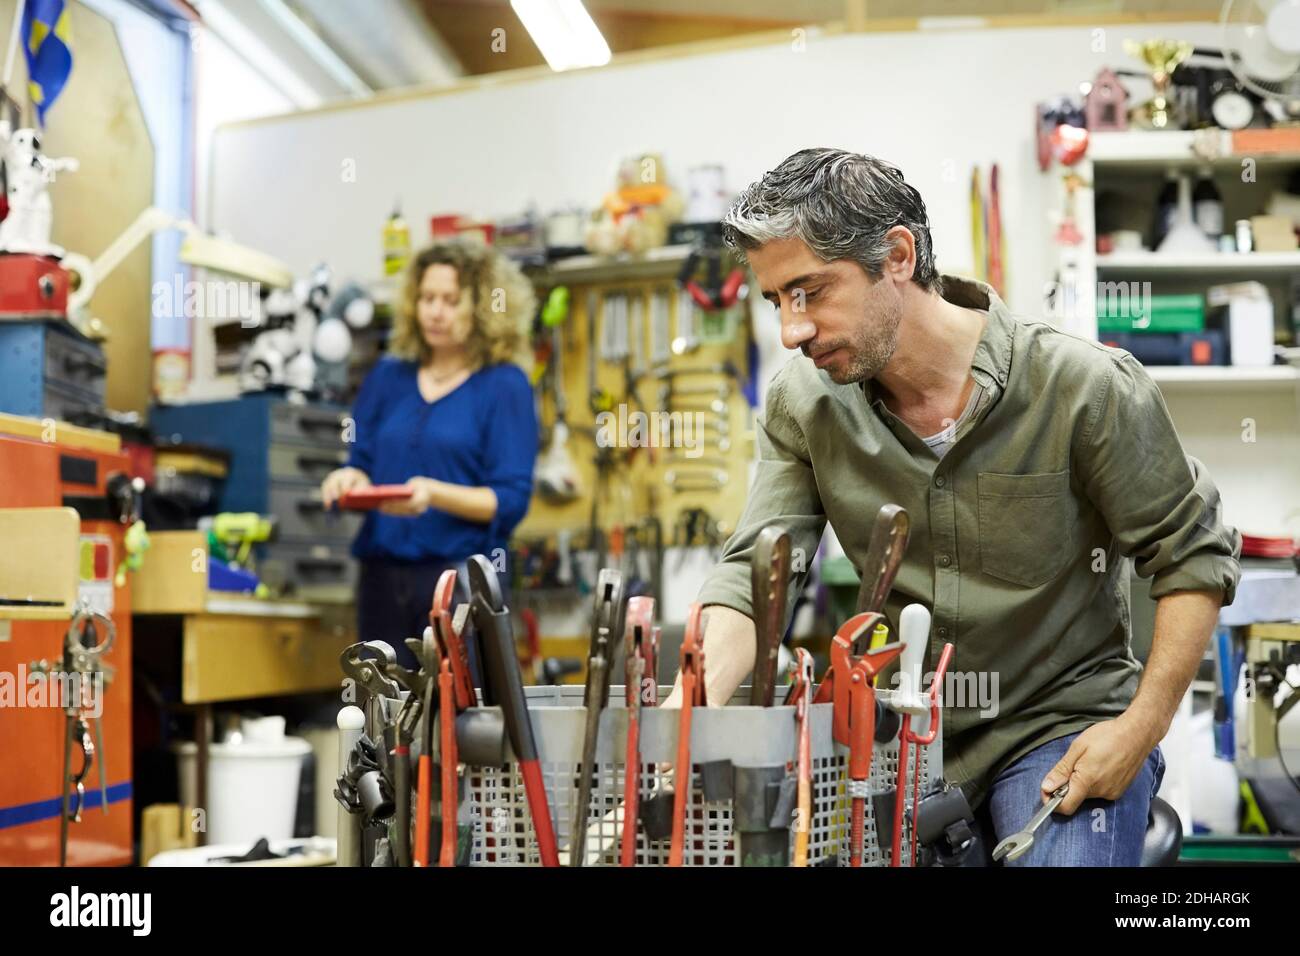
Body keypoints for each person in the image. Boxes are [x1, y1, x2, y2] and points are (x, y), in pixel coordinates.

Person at [673, 148, 1241, 866]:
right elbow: (759, 577)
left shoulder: (1083, 386)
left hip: (1056, 724)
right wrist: (687, 708)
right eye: (776, 301)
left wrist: (1143, 726)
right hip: (899, 732)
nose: (791, 330)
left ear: (898, 255)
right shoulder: (803, 404)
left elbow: (1190, 557)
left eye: (810, 292)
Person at [321, 241, 539, 670]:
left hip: (458, 586)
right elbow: (361, 462)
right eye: (426, 298)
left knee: (458, 727)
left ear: (481, 307)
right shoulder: (387, 376)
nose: (435, 312)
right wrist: (349, 481)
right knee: (381, 721)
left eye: (451, 300)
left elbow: (510, 500)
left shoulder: (504, 385)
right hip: (381, 579)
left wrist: (433, 494)